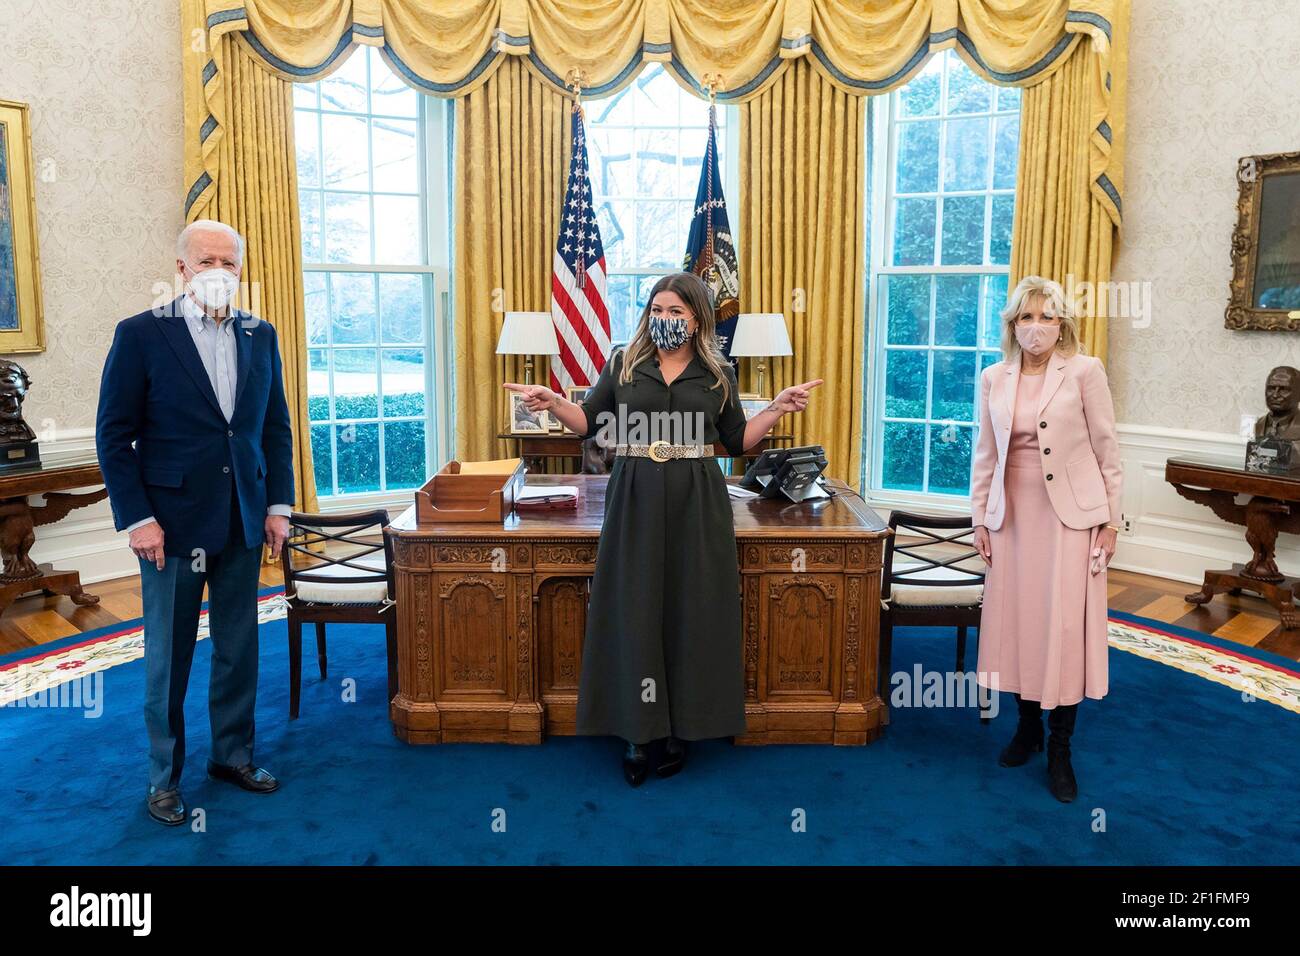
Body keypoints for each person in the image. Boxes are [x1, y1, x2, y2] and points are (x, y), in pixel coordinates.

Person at [505, 272, 821, 786]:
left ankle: (681, 727)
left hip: (698, 500)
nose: (665, 319)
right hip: (634, 496)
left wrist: (777, 409)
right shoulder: (624, 363)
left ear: (696, 316)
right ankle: (636, 728)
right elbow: (588, 423)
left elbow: (737, 440)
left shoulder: (718, 371)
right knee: (634, 608)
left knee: (691, 609)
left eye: (675, 311)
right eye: (657, 309)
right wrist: (554, 401)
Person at [95, 220, 294, 826]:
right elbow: (113, 436)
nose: (220, 271)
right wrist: (139, 519)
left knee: (238, 648)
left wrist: (278, 507)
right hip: (170, 529)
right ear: (182, 269)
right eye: (207, 260)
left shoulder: (261, 334)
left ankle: (232, 757)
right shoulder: (141, 335)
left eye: (230, 262)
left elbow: (273, 430)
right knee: (169, 657)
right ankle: (164, 778)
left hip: (242, 520)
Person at [969, 275, 1122, 803]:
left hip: (1071, 519)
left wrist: (1111, 521)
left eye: (1047, 317)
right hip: (1011, 516)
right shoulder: (994, 376)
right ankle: (1027, 726)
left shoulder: (1085, 371)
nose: (1036, 328)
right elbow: (985, 452)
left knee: (1064, 625)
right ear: (1012, 324)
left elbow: (1107, 450)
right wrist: (979, 518)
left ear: (1064, 325)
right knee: (1020, 622)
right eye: (1026, 318)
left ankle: (1061, 746)